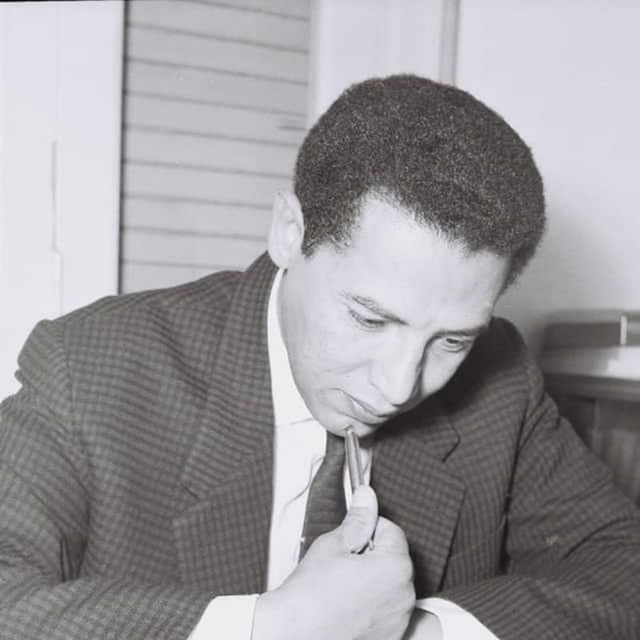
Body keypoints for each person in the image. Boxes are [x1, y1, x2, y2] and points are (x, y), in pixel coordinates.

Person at [0, 75, 638, 640]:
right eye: (369, 318)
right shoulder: (88, 367)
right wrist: (270, 628)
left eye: (451, 340)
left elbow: (622, 564)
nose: (398, 386)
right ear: (290, 232)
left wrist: (419, 630)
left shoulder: (500, 380)